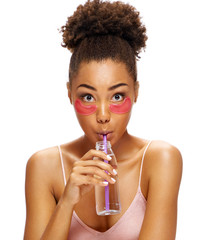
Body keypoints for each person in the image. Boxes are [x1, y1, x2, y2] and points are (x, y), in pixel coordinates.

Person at [23, 0, 183, 239]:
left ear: (136, 92)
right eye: (88, 96)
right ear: (69, 94)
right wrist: (67, 202)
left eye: (117, 95)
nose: (103, 116)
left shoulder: (160, 160)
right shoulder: (44, 167)